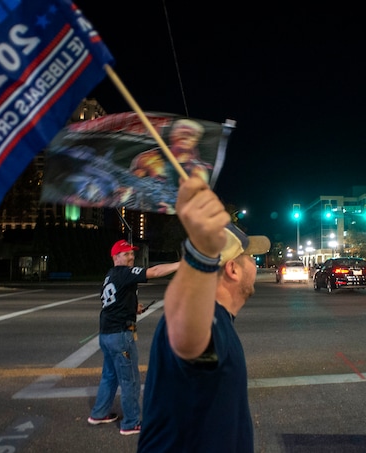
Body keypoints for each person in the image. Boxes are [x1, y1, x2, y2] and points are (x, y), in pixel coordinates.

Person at [137, 176, 270, 452]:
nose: (256, 266)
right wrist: (201, 254)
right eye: (251, 258)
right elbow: (190, 339)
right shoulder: (208, 320)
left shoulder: (219, 319)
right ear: (232, 269)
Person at [87, 240, 179, 435]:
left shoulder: (110, 276)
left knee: (110, 376)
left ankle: (99, 413)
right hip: (120, 335)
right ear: (115, 257)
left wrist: (132, 307)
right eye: (125, 254)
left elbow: (111, 301)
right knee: (130, 380)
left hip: (106, 334)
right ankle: (130, 423)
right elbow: (154, 272)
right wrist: (183, 264)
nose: (130, 257)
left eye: (131, 254)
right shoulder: (124, 273)